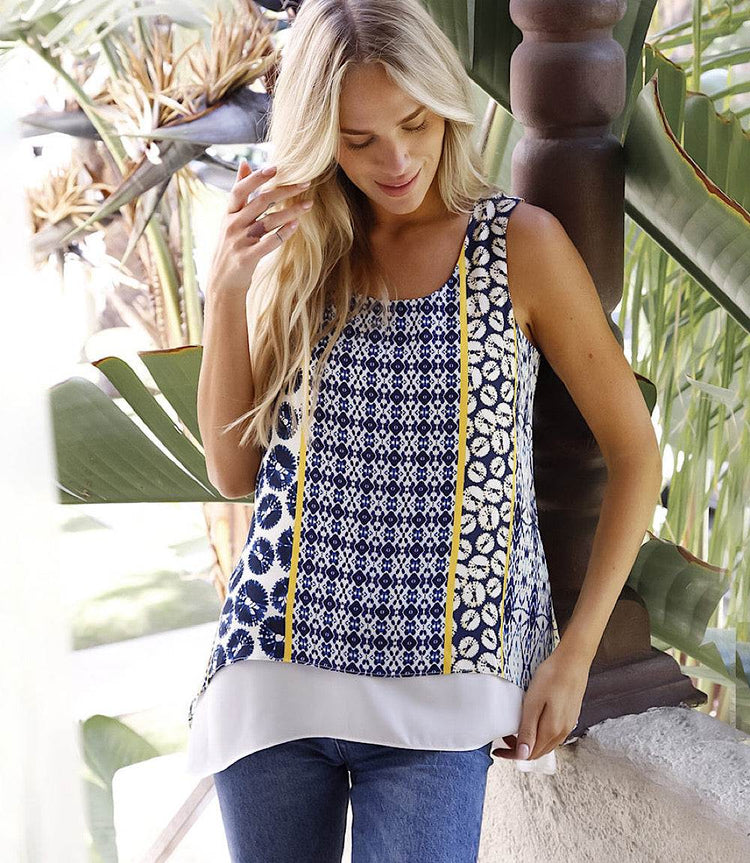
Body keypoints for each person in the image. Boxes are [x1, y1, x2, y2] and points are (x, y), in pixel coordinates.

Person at [185, 1, 663, 861]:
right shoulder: (303, 251)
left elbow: (634, 455)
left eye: (413, 123)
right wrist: (227, 290)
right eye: (359, 140)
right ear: (321, 141)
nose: (397, 159)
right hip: (272, 670)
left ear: (446, 103)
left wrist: (575, 655)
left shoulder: (518, 245)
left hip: (446, 684)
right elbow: (231, 470)